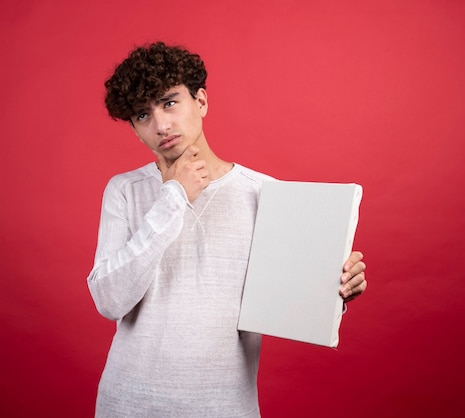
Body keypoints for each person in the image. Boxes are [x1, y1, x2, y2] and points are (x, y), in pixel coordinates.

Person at [87, 41, 367, 417]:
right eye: (142, 115)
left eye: (170, 103)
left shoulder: (265, 193)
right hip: (131, 403)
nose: (161, 125)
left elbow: (291, 301)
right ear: (136, 130)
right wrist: (174, 197)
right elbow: (109, 300)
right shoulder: (125, 191)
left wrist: (334, 291)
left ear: (200, 101)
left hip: (224, 406)